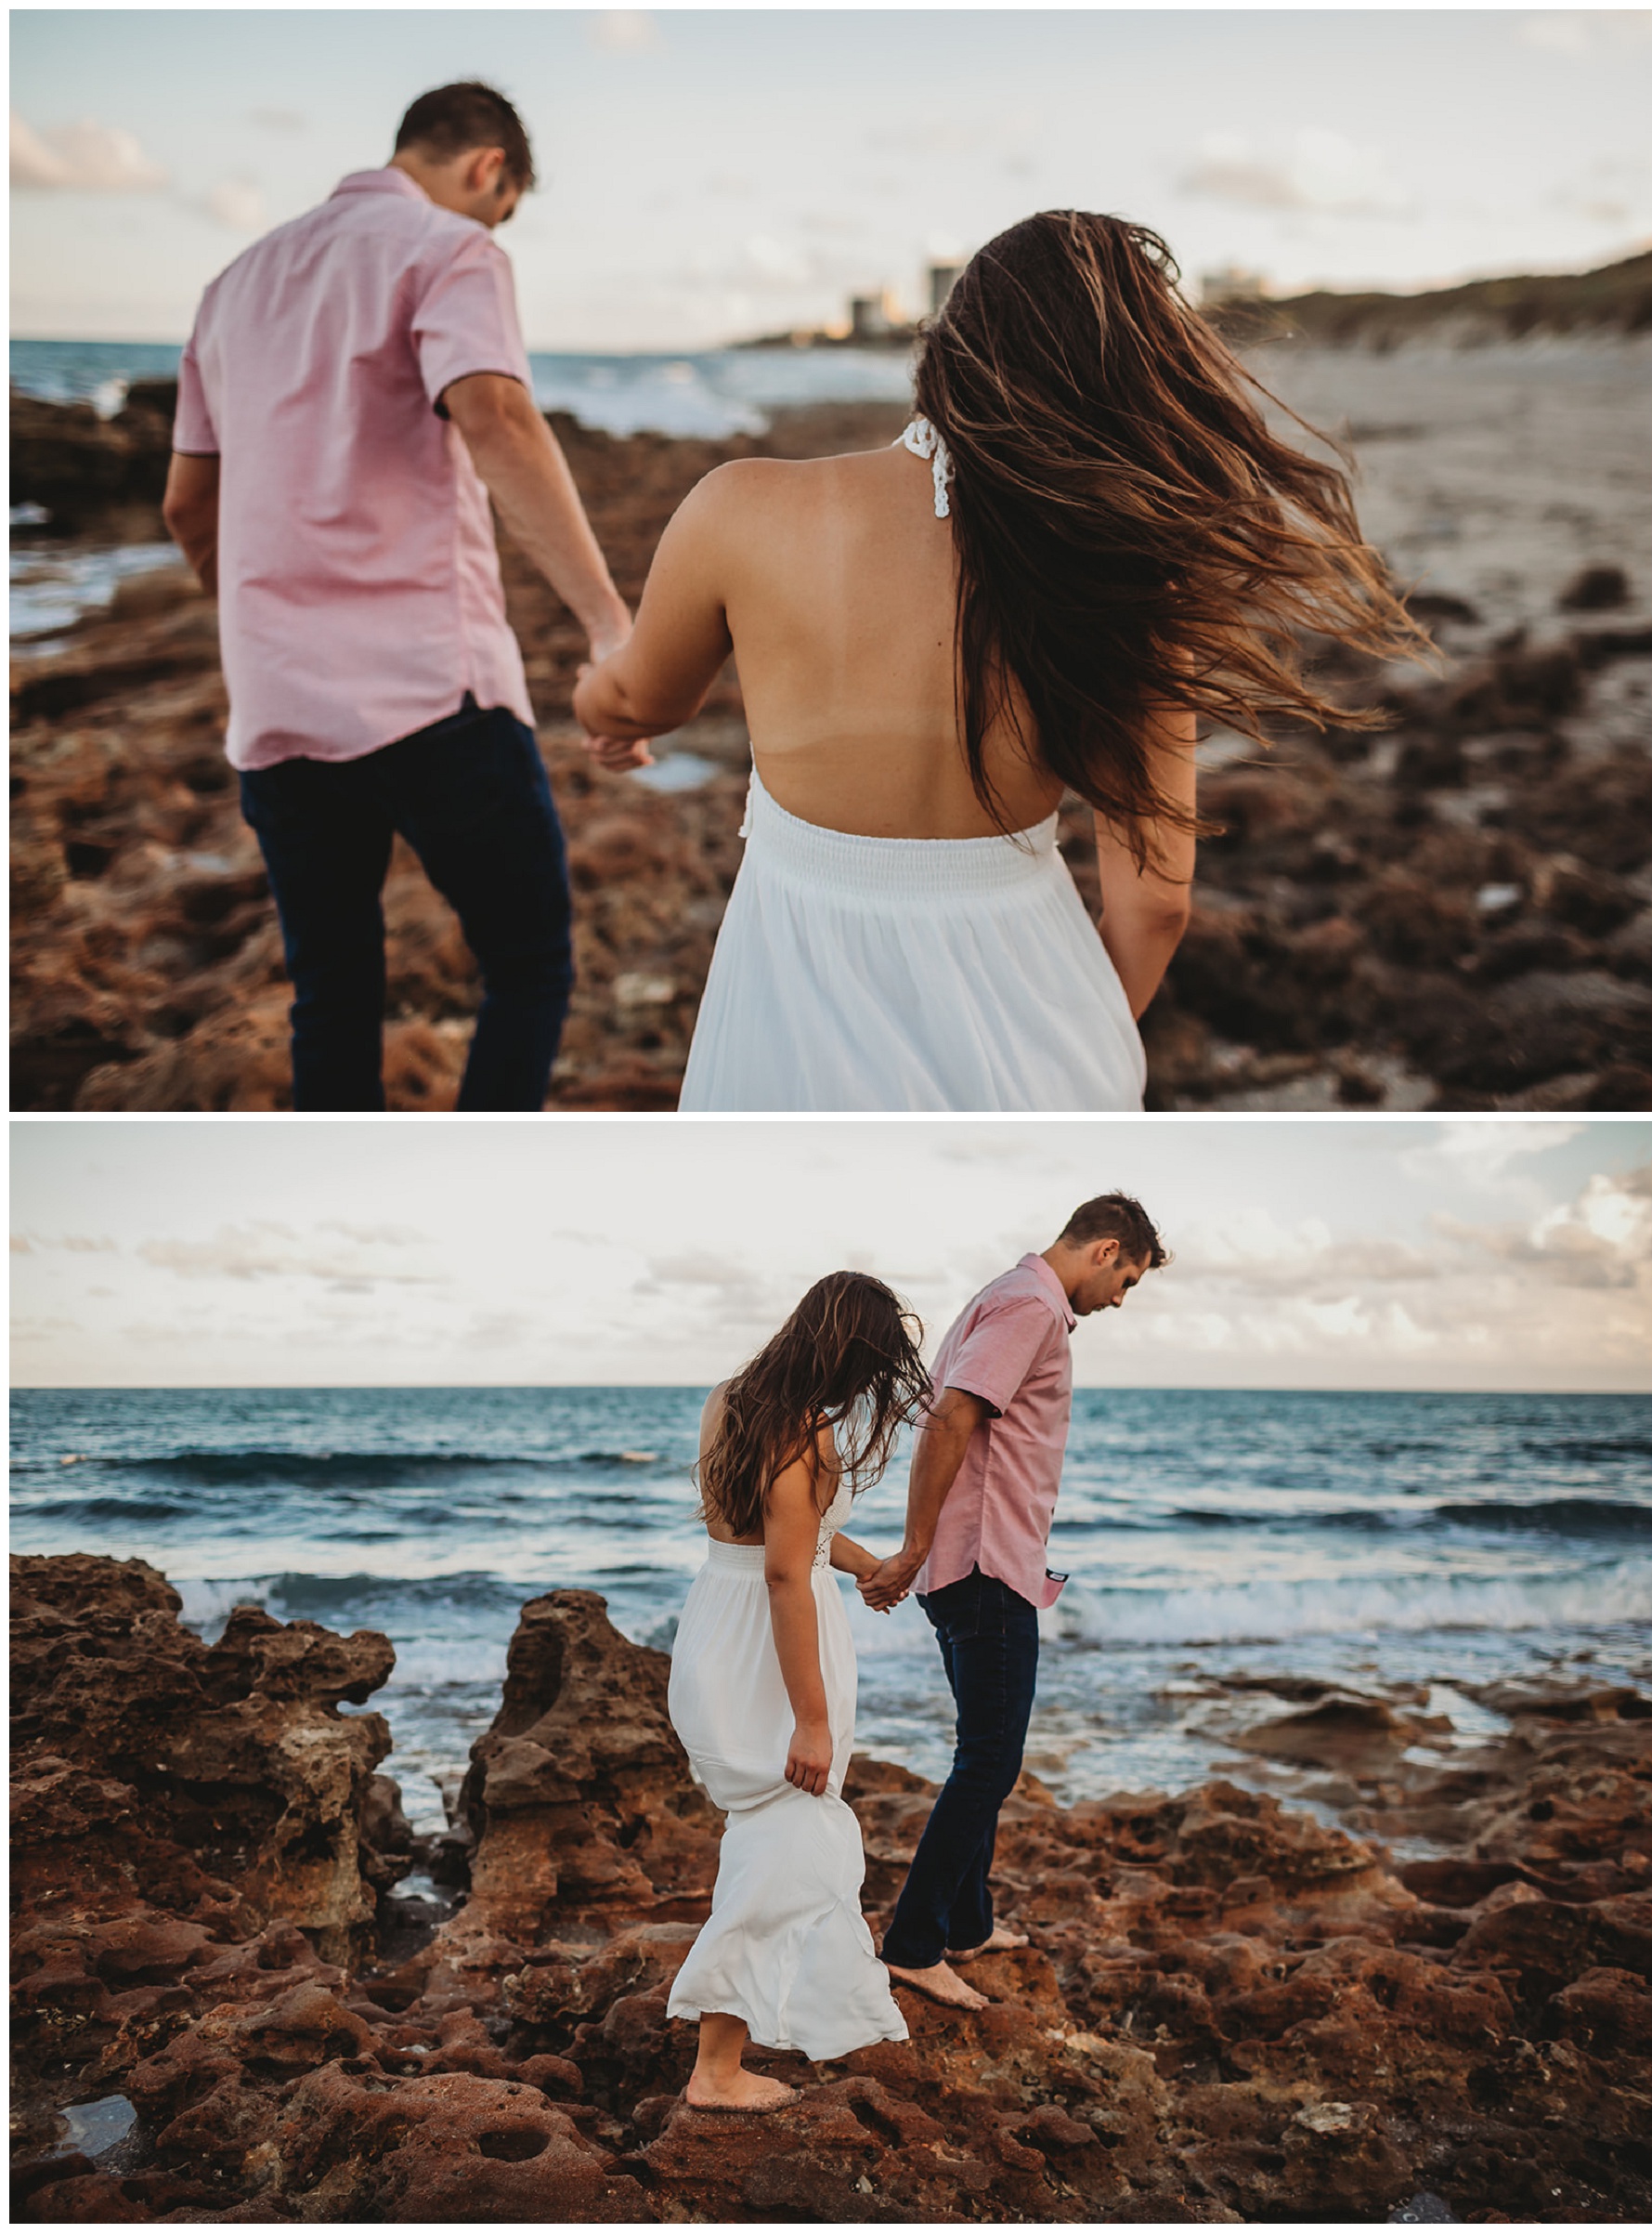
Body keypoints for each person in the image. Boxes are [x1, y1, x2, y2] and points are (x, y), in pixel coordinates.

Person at [574, 209, 1428, 1114]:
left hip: (792, 1017)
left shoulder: (738, 509)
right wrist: (1081, 1037)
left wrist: (599, 692)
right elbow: (1155, 910)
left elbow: (638, 699)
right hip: (1044, 1026)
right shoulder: (1126, 585)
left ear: (949, 348)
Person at [163, 82, 634, 1112]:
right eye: (501, 210)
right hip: (432, 696)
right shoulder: (449, 250)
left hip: (280, 712)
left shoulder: (230, 286)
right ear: (487, 170)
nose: (493, 228)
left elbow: (187, 505)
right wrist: (610, 626)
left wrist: (262, 623)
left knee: (331, 1003)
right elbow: (497, 417)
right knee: (529, 968)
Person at [857, 1193, 1168, 2010]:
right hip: (986, 1566)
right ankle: (915, 1944)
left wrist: (925, 1548)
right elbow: (953, 1414)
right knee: (990, 1761)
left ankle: (965, 1924)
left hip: (981, 1564)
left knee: (984, 1757)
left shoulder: (1005, 1295)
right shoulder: (1032, 1305)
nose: (1121, 1300)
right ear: (1104, 1251)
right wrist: (917, 1544)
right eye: (1128, 1280)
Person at [665, 1272, 931, 2111]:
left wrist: (869, 1567)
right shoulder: (803, 1433)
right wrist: (812, 1720)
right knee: (786, 1833)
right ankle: (715, 2068)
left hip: (720, 1628)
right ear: (849, 1357)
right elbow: (784, 1572)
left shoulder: (733, 1400)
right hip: (766, 1651)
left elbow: (786, 1539)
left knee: (776, 1833)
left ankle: (747, 2036)